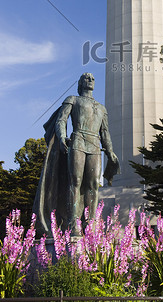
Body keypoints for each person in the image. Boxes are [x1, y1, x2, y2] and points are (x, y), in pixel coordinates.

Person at [33, 73, 120, 236]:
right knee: (76, 181)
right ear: (80, 83)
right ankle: (73, 223)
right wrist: (61, 137)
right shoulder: (72, 99)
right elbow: (61, 120)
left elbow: (105, 132)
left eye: (93, 78)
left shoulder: (101, 108)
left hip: (95, 145)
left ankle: (91, 222)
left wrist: (110, 151)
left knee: (94, 183)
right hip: (78, 141)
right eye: (86, 78)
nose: (91, 80)